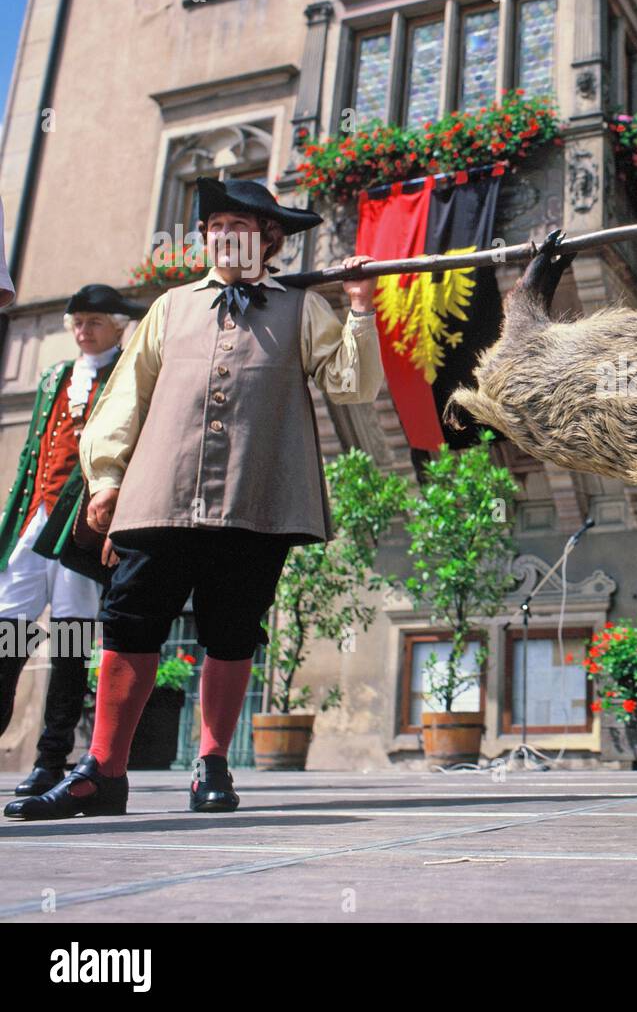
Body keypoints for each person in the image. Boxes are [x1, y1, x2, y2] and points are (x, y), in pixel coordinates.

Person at [5, 178, 383, 820]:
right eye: (216, 225)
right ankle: (103, 772)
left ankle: (211, 763)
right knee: (129, 622)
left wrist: (359, 305)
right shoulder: (170, 307)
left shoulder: (301, 309)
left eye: (242, 225)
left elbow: (352, 385)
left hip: (255, 499)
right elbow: (125, 397)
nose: (225, 235)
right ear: (205, 236)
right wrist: (105, 479)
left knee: (232, 632)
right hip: (159, 495)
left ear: (268, 240)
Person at [0, 285, 144, 797]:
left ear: (117, 326)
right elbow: (32, 456)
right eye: (77, 322)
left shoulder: (126, 372)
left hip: (79, 527)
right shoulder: (55, 377)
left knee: (69, 638)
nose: (84, 331)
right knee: (10, 627)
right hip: (33, 521)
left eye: (94, 322)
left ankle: (50, 757)